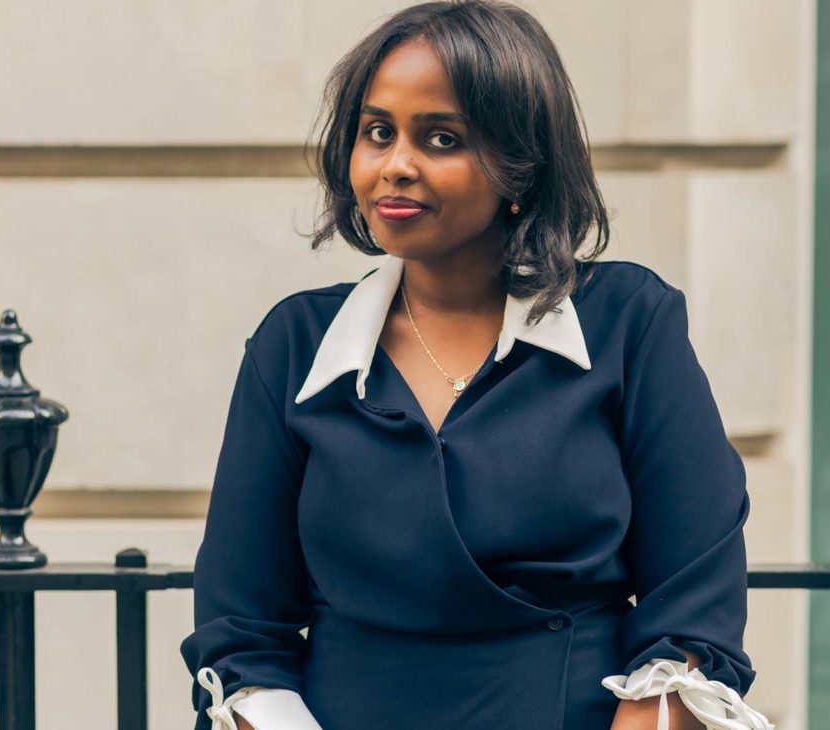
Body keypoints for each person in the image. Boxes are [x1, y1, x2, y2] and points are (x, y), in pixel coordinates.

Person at [179, 1, 775, 728]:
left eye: (441, 138)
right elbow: (242, 636)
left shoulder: (630, 323)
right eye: (377, 132)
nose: (396, 165)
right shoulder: (296, 344)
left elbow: (692, 614)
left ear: (519, 165)